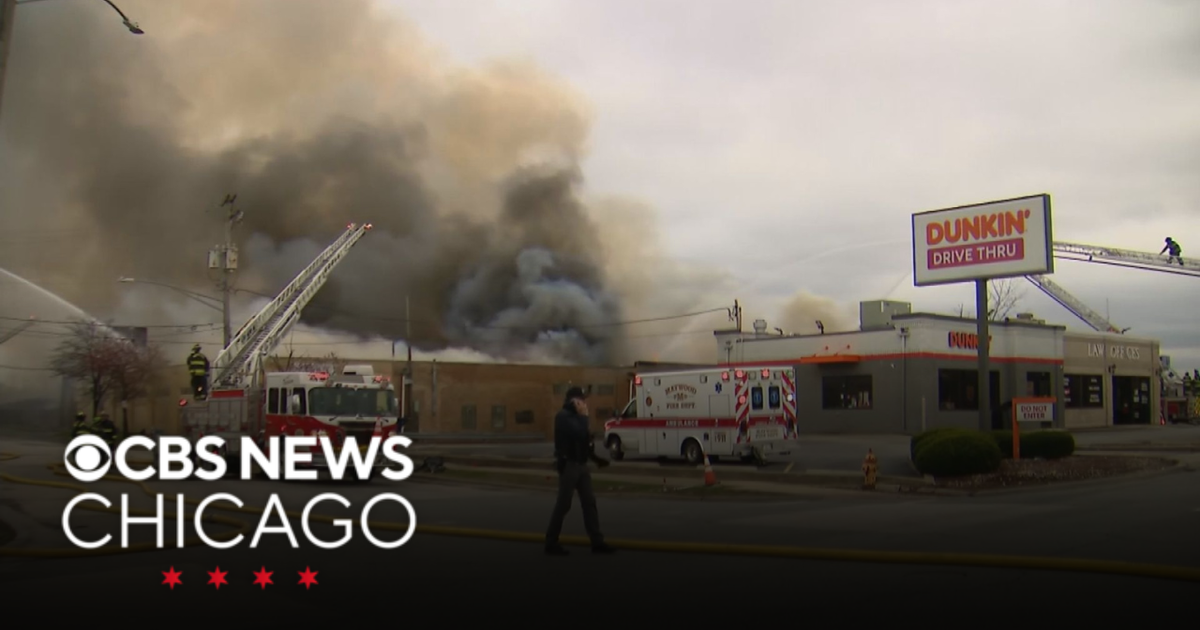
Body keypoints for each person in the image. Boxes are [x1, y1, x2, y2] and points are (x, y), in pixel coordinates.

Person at [544, 387, 615, 556]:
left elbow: (585, 441)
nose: (585, 403)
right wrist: (584, 417)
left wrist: (597, 460)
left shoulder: (578, 417)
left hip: (582, 465)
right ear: (574, 402)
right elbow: (577, 433)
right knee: (563, 504)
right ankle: (550, 542)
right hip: (569, 465)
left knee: (589, 502)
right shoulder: (563, 417)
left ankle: (597, 541)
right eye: (582, 400)